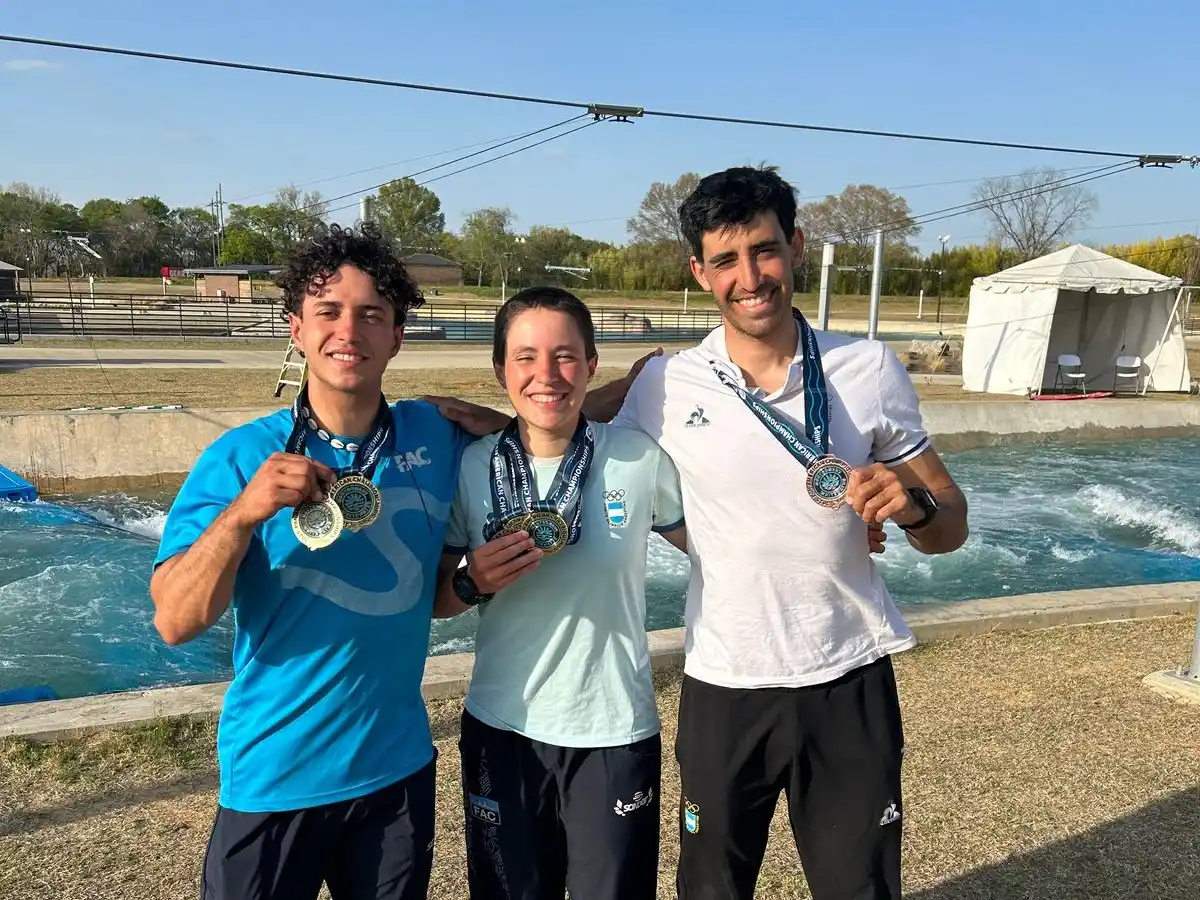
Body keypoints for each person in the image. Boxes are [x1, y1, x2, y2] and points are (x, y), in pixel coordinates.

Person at [605, 166, 970, 899]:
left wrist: (912, 507)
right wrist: (472, 423)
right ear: (699, 271)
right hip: (725, 683)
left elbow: (950, 526)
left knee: (858, 887)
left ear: (795, 245)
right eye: (727, 260)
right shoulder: (666, 384)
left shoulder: (865, 367)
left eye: (765, 250)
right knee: (710, 888)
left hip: (848, 676)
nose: (751, 276)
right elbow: (555, 429)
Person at [149, 223, 476, 900]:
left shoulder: (436, 433)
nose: (347, 331)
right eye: (328, 312)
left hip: (396, 773)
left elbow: (548, 435)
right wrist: (243, 513)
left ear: (397, 336)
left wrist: (629, 393)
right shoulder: (241, 458)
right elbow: (176, 621)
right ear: (296, 329)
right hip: (276, 775)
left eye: (370, 315)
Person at [433, 286, 688, 900]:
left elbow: (721, 550)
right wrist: (473, 579)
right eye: (525, 357)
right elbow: (439, 599)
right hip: (503, 726)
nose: (546, 374)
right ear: (500, 370)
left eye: (565, 355)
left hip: (614, 731)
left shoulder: (638, 459)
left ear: (592, 364)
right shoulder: (471, 467)